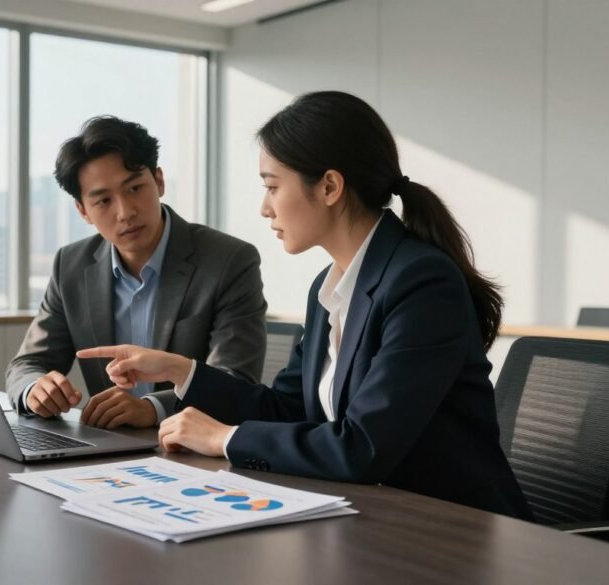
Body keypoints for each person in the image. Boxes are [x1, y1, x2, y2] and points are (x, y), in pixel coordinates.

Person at [77, 92, 532, 519]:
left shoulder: (421, 282)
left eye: (273, 187)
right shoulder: (330, 286)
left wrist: (224, 438)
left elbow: (364, 446)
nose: (265, 208)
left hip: (451, 529)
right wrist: (182, 371)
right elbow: (287, 407)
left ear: (330, 187)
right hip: (368, 516)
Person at [6, 115, 267, 430]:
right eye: (103, 200)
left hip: (196, 448)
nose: (125, 212)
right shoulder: (71, 265)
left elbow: (234, 381)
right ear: (83, 211)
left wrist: (153, 408)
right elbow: (28, 364)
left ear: (159, 181)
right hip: (107, 448)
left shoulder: (229, 260)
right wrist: (36, 389)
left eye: (134, 188)